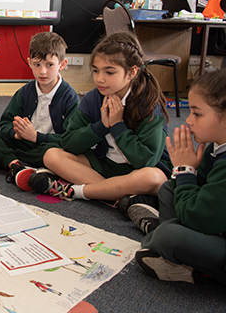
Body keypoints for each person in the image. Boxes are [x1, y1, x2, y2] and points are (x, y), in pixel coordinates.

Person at [36, 32, 171, 206]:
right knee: (52, 156)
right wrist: (101, 126)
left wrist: (117, 125)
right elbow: (68, 142)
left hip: (135, 172)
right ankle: (115, 194)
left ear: (131, 73)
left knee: (153, 178)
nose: (99, 78)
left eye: (109, 72)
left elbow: (146, 160)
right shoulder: (94, 97)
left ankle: (78, 191)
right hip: (104, 165)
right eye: (96, 71)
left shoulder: (149, 104)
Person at [134, 68, 226, 289]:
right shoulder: (219, 144)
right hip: (217, 222)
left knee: (170, 236)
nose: (188, 120)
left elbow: (199, 216)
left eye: (197, 114)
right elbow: (197, 191)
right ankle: (171, 246)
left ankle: (167, 246)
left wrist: (184, 169)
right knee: (167, 189)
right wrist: (186, 171)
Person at [0, 32, 79, 188]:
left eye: (49, 65)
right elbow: (6, 121)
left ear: (62, 64)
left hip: (48, 148)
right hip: (22, 144)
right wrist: (15, 133)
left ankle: (5, 160)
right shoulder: (25, 91)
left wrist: (36, 137)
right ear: (29, 63)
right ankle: (17, 165)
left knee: (58, 156)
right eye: (37, 65)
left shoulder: (70, 97)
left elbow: (70, 139)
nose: (42, 71)